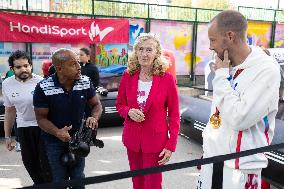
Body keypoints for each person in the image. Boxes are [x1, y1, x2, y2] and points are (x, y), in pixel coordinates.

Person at [197, 10, 281, 189]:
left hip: (240, 170)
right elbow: (219, 113)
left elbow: (239, 119)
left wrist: (220, 75)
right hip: (212, 162)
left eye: (213, 40)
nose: (210, 47)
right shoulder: (226, 65)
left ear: (230, 36)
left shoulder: (265, 70)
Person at [116, 33, 180, 189]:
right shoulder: (127, 76)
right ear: (136, 52)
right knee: (137, 183)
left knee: (152, 184)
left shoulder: (167, 79)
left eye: (149, 50)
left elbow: (174, 114)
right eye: (141, 49)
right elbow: (120, 105)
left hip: (156, 142)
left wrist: (170, 145)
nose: (144, 54)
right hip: (132, 140)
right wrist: (128, 111)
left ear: (157, 53)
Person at [33, 48, 102, 188]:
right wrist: (57, 132)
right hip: (53, 142)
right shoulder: (43, 87)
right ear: (59, 68)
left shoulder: (85, 81)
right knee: (59, 181)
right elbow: (41, 119)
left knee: (78, 180)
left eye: (78, 62)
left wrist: (94, 118)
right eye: (73, 64)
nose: (79, 67)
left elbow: (96, 105)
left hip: (79, 139)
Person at [2, 50, 50, 184]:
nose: (24, 69)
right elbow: (10, 111)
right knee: (30, 163)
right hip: (23, 128)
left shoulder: (41, 82)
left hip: (43, 127)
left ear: (30, 66)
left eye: (26, 65)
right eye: (19, 67)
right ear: (12, 69)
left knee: (46, 164)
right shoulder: (7, 84)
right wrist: (7, 136)